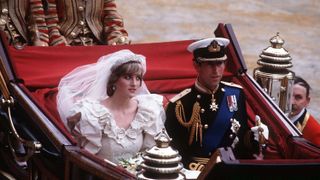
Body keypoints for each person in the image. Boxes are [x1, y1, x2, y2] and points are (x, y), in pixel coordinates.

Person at [165, 37, 269, 171]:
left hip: (230, 169)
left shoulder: (236, 94)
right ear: (196, 65)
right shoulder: (180, 104)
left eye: (219, 63)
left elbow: (241, 139)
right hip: (196, 172)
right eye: (209, 64)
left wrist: (255, 138)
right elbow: (174, 151)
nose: (216, 70)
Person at [57, 49, 165, 164]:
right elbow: (84, 159)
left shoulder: (147, 110)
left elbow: (150, 153)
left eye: (138, 78)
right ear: (114, 80)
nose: (134, 83)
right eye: (128, 77)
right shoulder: (91, 113)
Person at [288, 76, 320, 146]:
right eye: (288, 95)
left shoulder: (315, 131)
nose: (292, 102)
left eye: (298, 97)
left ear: (307, 101)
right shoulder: (273, 115)